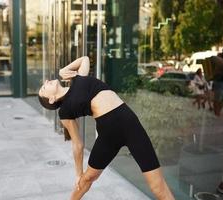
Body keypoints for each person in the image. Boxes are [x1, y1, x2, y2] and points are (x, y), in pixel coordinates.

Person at [38, 56, 175, 200]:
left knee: (157, 186)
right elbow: (77, 144)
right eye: (43, 88)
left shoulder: (78, 78)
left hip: (130, 125)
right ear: (51, 99)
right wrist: (78, 173)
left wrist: (65, 69)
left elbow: (84, 59)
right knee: (87, 179)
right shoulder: (64, 111)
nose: (46, 82)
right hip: (108, 135)